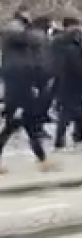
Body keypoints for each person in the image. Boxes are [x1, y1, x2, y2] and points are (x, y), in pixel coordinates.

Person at [0, 28, 55, 171]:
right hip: (23, 100)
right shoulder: (24, 60)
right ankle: (43, 160)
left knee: (26, 129)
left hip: (15, 99)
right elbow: (36, 76)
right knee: (17, 130)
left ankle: (43, 159)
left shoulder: (9, 59)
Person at [51, 17, 82, 150]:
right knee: (70, 114)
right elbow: (75, 64)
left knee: (71, 113)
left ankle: (70, 138)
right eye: (77, 26)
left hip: (71, 81)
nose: (79, 28)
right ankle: (68, 139)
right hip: (68, 80)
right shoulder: (65, 42)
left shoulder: (74, 40)